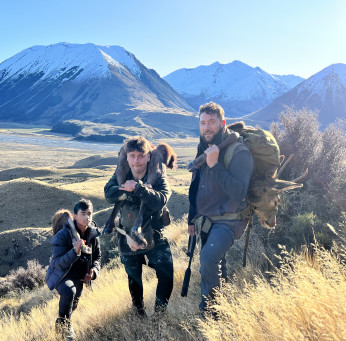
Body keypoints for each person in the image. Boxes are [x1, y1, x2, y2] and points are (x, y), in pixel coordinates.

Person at [188, 102, 253, 315]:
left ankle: (212, 311)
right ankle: (222, 304)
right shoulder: (203, 147)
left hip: (230, 219)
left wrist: (215, 165)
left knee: (208, 259)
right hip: (208, 218)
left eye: (212, 122)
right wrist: (191, 217)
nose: (207, 127)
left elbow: (238, 192)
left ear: (222, 123)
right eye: (203, 123)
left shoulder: (239, 152)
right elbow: (197, 184)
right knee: (217, 263)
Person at [104, 136, 173, 316]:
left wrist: (139, 189)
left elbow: (160, 200)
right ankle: (139, 313)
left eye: (141, 156)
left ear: (148, 157)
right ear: (127, 157)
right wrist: (125, 191)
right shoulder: (120, 175)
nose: (136, 160)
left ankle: (159, 316)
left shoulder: (159, 177)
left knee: (166, 276)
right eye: (132, 156)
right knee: (134, 279)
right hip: (127, 235)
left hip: (155, 235)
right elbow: (108, 194)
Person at [45, 199, 101, 341]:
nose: (87, 217)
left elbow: (97, 258)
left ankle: (61, 325)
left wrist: (93, 272)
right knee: (69, 292)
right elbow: (57, 263)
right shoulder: (62, 235)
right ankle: (66, 329)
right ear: (75, 216)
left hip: (79, 276)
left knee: (73, 303)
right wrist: (75, 251)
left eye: (89, 214)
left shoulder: (92, 234)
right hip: (61, 275)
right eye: (83, 214)